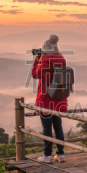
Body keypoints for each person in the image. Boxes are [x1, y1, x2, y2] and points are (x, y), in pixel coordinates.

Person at [32, 34, 67, 163]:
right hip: (59, 98)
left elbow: (35, 74)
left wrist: (37, 59)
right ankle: (60, 154)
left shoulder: (46, 60)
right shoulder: (62, 58)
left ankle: (47, 156)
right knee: (58, 126)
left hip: (46, 99)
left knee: (47, 128)